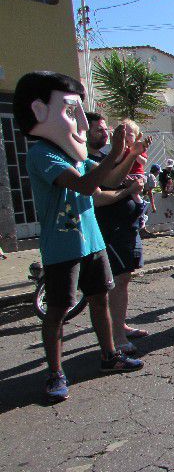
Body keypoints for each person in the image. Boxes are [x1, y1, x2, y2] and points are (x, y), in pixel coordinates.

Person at [15, 71, 143, 401]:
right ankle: (55, 373)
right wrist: (115, 151)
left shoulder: (76, 156)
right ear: (41, 112)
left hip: (92, 239)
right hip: (62, 245)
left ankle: (108, 356)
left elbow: (107, 181)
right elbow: (86, 185)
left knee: (100, 298)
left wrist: (124, 155)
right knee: (58, 309)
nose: (83, 126)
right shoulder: (43, 154)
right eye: (73, 113)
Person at [87, 112, 152, 353]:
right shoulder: (96, 158)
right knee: (116, 281)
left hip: (128, 225)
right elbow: (107, 190)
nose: (105, 134)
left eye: (106, 130)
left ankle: (120, 326)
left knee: (123, 279)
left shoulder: (117, 156)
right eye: (99, 130)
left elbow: (124, 180)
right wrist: (130, 188)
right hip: (111, 227)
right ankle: (116, 338)